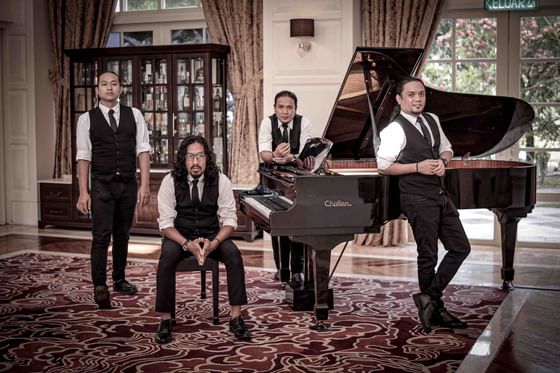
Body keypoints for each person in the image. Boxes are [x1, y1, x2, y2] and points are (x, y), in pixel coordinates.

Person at [376, 77, 471, 333]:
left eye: (421, 94)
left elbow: (447, 148)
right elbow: (383, 166)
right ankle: (435, 308)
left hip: (439, 194)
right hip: (416, 198)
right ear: (399, 99)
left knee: (461, 247)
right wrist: (416, 167)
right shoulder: (393, 130)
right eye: (411, 95)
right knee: (427, 254)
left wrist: (444, 161)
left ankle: (429, 297)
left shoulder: (432, 119)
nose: (417, 99)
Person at [154, 135, 251, 343]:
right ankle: (165, 319)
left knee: (234, 255)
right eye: (190, 157)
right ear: (183, 159)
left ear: (207, 158)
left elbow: (230, 220)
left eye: (200, 156)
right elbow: (165, 224)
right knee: (167, 256)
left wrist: (214, 243)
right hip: (180, 237)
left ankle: (236, 317)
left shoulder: (221, 180)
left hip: (211, 235)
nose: (195, 162)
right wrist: (186, 244)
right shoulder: (170, 180)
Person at [76, 71, 151, 309]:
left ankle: (119, 279)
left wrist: (145, 185)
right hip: (101, 185)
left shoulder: (135, 115)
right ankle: (100, 285)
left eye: (114, 84)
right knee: (100, 236)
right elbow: (83, 156)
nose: (109, 88)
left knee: (123, 234)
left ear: (121, 88)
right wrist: (83, 192)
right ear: (97, 89)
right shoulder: (86, 119)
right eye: (104, 84)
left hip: (127, 183)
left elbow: (143, 150)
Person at [258, 90, 313, 288]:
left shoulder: (303, 122)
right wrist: (274, 154)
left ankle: (298, 269)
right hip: (271, 178)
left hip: (295, 180)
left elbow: (303, 158)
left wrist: (295, 159)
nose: (285, 111)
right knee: (277, 222)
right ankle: (282, 268)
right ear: (275, 108)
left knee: (297, 221)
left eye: (289, 107)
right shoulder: (267, 123)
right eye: (281, 107)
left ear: (295, 109)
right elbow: (263, 154)